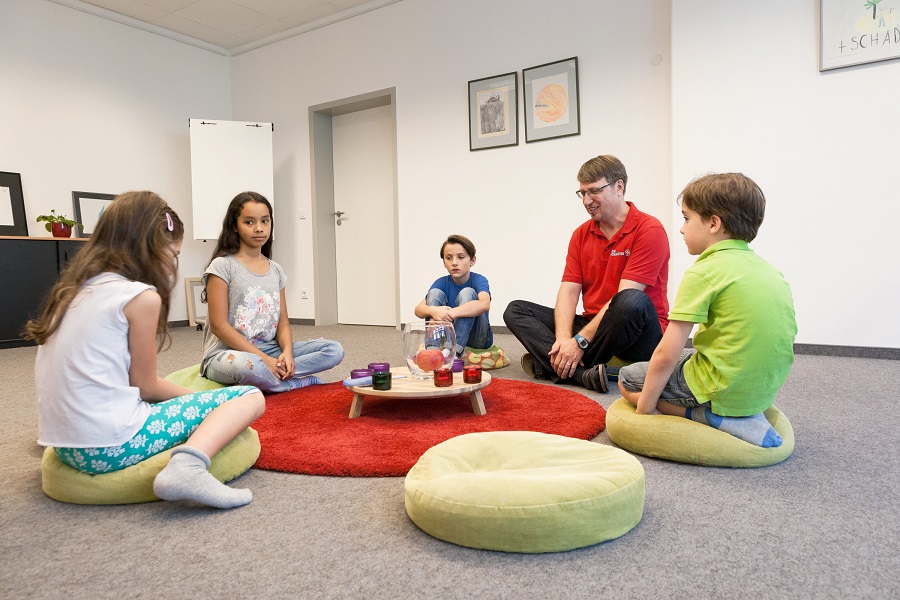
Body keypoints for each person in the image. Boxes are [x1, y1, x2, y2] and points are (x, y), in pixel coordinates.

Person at [27, 191, 265, 509]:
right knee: (249, 397)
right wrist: (201, 403)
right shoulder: (140, 297)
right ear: (151, 248)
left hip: (64, 445)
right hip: (110, 446)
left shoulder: (72, 291)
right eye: (173, 254)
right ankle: (188, 468)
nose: (170, 268)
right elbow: (145, 386)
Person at [617, 173, 797, 447]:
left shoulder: (704, 271)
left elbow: (666, 353)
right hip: (763, 390)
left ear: (714, 224)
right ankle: (744, 412)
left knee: (627, 379)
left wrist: (646, 409)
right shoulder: (771, 271)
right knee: (688, 356)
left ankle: (707, 415)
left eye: (686, 218)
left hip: (719, 387)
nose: (681, 229)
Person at [504, 155, 669, 393]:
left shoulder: (649, 230)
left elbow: (624, 298)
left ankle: (556, 366)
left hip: (637, 333)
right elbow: (569, 291)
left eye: (594, 191)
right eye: (582, 193)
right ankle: (581, 374)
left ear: (619, 186)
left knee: (630, 300)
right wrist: (564, 340)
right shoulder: (581, 234)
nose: (586, 201)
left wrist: (580, 342)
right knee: (516, 310)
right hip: (594, 325)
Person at [201, 191, 343, 392]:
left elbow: (282, 323)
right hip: (227, 355)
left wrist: (287, 353)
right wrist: (263, 359)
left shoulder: (275, 270)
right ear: (234, 225)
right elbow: (219, 326)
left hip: (270, 350)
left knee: (334, 350)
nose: (259, 228)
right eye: (249, 222)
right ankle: (296, 383)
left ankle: (274, 377)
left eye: (265, 221)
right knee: (247, 366)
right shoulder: (222, 266)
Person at [414, 234, 493, 356]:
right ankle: (433, 349)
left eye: (461, 257)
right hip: (447, 335)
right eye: (449, 258)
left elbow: (485, 304)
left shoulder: (479, 280)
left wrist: (450, 313)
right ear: (444, 263)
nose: (454, 263)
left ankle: (453, 352)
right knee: (434, 294)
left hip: (477, 338)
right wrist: (434, 311)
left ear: (472, 260)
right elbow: (418, 310)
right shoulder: (441, 282)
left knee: (467, 292)